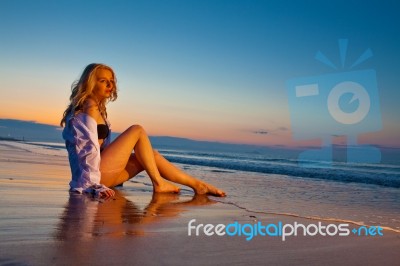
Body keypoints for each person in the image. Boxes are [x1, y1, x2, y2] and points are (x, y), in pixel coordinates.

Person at [60, 63, 226, 199]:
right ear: (90, 83)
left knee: (150, 156)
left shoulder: (97, 107)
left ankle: (198, 185)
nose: (110, 85)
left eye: (112, 80)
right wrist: (92, 185)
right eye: (103, 81)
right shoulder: (90, 106)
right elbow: (87, 149)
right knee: (137, 130)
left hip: (103, 172)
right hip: (95, 175)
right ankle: (159, 183)